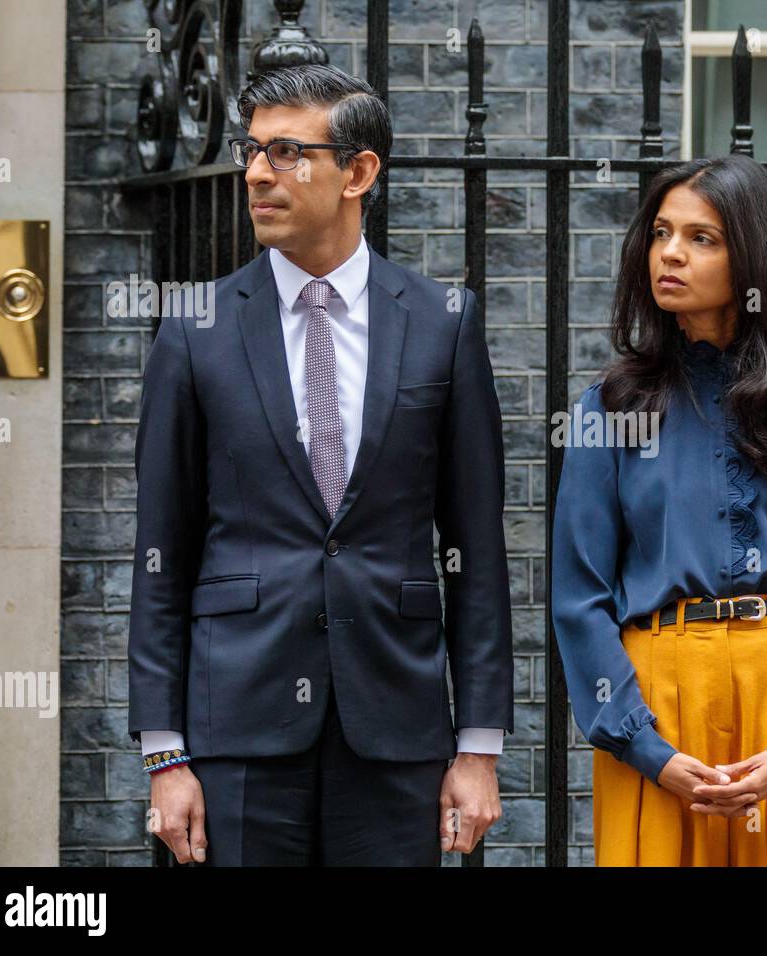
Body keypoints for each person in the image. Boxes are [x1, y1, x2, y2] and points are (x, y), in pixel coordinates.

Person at [127, 63, 513, 865]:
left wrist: (477, 748)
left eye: (288, 152)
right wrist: (165, 755)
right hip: (235, 731)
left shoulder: (443, 325)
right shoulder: (193, 331)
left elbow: (477, 554)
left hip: (396, 732)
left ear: (359, 172)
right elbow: (160, 556)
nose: (259, 173)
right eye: (252, 152)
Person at [551, 153, 767, 866]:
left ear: (755, 257)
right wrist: (642, 745)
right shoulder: (612, 411)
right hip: (657, 712)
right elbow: (579, 597)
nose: (669, 253)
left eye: (702, 238)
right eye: (661, 233)